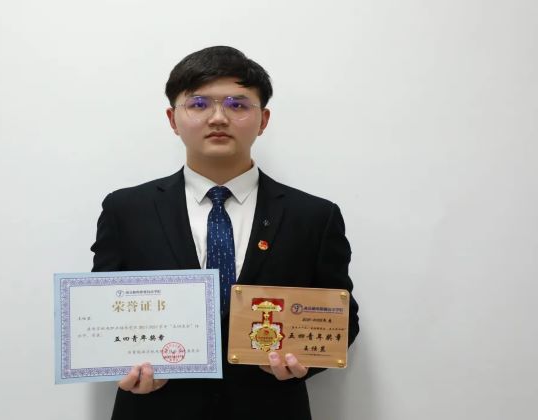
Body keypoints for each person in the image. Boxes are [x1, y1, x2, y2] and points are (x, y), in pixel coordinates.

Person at [91, 45, 359, 420]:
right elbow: (102, 312)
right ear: (172, 118)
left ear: (263, 119)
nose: (218, 118)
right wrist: (123, 366)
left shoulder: (314, 216)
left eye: (237, 104)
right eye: (199, 104)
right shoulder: (126, 210)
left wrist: (303, 363)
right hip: (156, 408)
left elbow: (342, 318)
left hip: (269, 409)